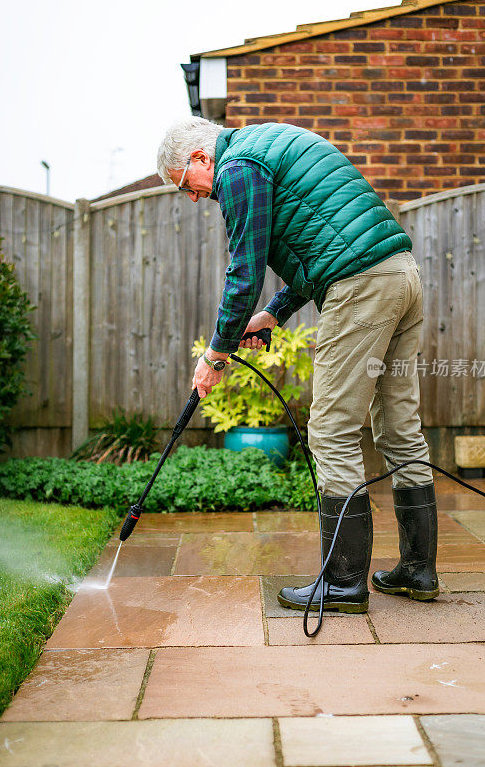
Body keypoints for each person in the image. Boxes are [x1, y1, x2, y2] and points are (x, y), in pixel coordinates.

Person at [157, 117, 439, 613]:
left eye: (186, 186)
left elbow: (245, 271)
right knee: (399, 428)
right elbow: (327, 243)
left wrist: (215, 354)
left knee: (330, 432)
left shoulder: (237, 168)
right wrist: (275, 311)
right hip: (400, 276)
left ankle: (343, 583)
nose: (196, 198)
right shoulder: (269, 141)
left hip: (361, 290)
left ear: (201, 158)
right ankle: (419, 571)